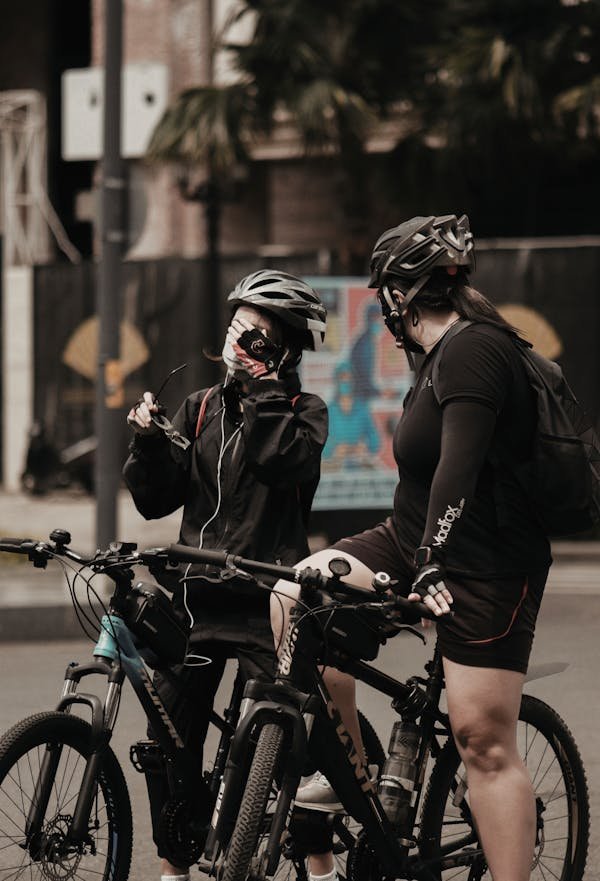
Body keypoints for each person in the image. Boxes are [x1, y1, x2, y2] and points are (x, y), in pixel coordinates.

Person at [272, 215, 552, 881]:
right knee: (295, 595)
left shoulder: (476, 349)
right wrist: (418, 553)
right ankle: (353, 780)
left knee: (481, 739)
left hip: (485, 565)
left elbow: (458, 466)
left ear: (398, 297)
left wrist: (433, 561)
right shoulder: (433, 360)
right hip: (407, 539)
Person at [123, 269, 328, 881]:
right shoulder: (201, 407)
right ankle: (173, 868)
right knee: (171, 736)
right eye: (238, 326)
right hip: (198, 601)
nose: (240, 342)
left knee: (287, 739)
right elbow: (155, 501)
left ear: (286, 349)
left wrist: (266, 387)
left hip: (270, 603)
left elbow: (278, 462)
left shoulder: (303, 412)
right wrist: (149, 444)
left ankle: (318, 864)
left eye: (258, 336)